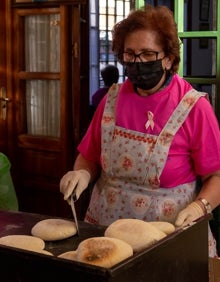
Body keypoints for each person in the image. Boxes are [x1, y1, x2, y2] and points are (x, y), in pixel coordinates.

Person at [60, 5, 220, 257]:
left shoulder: (194, 107)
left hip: (168, 233)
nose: (137, 62)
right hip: (105, 230)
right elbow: (90, 156)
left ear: (167, 58)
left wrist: (200, 206)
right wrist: (81, 173)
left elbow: (216, 176)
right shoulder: (111, 100)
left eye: (147, 54)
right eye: (130, 54)